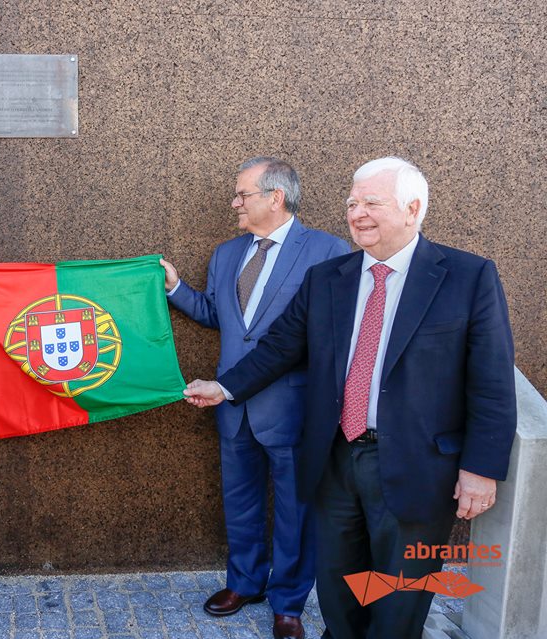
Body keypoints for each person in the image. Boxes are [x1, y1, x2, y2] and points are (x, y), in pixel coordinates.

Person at [183, 157, 517, 639]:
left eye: (372, 203)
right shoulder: (329, 277)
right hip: (336, 458)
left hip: (417, 464)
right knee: (340, 586)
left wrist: (480, 469)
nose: (357, 213)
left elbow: (491, 383)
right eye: (352, 203)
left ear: (413, 208)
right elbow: (280, 347)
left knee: (400, 595)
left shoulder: (468, 277)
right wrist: (224, 386)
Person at [162, 157, 348, 639]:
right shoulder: (227, 254)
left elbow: (323, 334)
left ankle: (288, 601)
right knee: (239, 502)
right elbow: (217, 316)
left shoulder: (328, 251)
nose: (234, 203)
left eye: (242, 195)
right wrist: (177, 288)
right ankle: (243, 583)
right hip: (231, 408)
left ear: (275, 197)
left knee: (294, 510)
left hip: (291, 410)